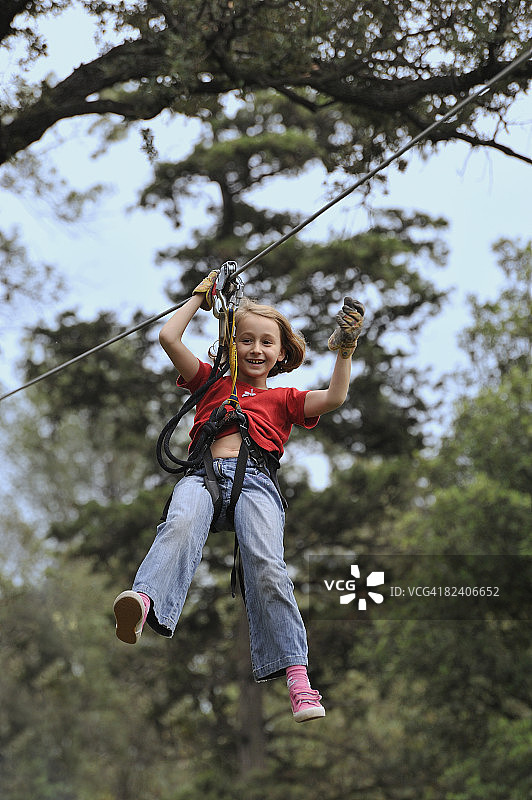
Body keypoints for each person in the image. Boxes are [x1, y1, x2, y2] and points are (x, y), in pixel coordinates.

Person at [113, 271, 365, 723]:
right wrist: (199, 296)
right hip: (202, 475)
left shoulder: (284, 399)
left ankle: (298, 679)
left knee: (268, 565)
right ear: (231, 344)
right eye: (246, 340)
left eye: (267, 343)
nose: (255, 349)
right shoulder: (210, 382)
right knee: (181, 524)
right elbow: (169, 336)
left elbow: (335, 397)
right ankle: (144, 601)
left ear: (281, 353)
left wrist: (344, 353)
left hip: (255, 483)